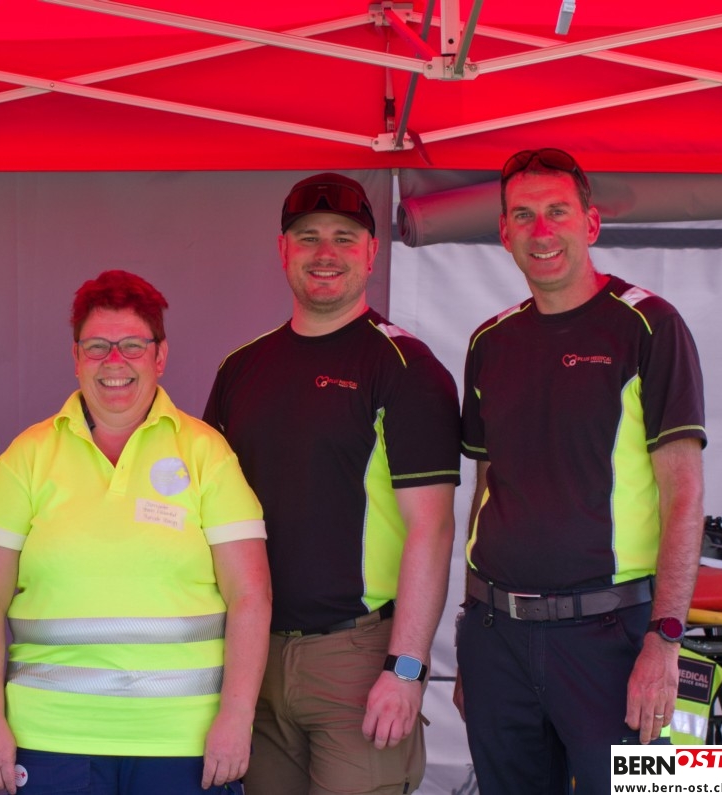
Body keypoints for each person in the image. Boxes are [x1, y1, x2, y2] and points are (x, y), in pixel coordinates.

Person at [454, 148, 706, 794]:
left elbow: (685, 495)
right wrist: (468, 628)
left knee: (652, 789)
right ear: (504, 231)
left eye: (557, 212)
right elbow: (486, 491)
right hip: (496, 636)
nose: (541, 231)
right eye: (524, 215)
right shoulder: (489, 342)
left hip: (617, 636)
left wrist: (666, 642)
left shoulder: (651, 324)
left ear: (590, 223)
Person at [0, 270, 271, 795]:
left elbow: (251, 595)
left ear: (160, 356)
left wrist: (237, 718)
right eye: (97, 347)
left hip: (182, 740)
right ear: (76, 356)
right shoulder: (27, 457)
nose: (114, 361)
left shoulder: (206, 453)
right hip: (51, 736)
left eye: (132, 345)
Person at [204, 173, 460, 795]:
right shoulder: (241, 369)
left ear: (371, 252)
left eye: (345, 238)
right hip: (253, 656)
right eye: (308, 237)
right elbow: (207, 519)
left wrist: (406, 668)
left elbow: (431, 528)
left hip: (356, 661)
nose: (325, 253)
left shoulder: (405, 367)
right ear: (282, 251)